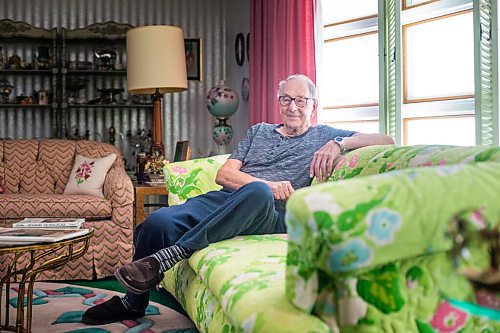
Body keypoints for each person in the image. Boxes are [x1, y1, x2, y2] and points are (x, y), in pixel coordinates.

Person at [82, 74, 394, 325]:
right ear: (278, 101)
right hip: (228, 198)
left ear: (313, 104)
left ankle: (168, 257)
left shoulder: (324, 134)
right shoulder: (259, 131)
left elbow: (386, 140)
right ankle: (133, 304)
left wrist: (340, 143)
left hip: (273, 213)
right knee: (157, 222)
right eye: (286, 99)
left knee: (257, 192)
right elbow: (224, 174)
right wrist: (268, 184)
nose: (293, 107)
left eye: (301, 100)